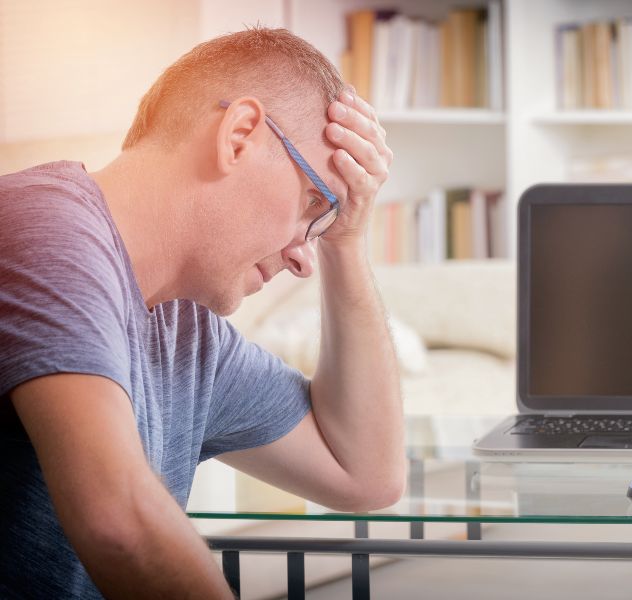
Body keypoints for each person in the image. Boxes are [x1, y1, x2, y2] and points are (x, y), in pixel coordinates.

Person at [0, 27, 404, 599]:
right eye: (314, 204)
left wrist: (348, 241)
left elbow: (365, 475)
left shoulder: (186, 335)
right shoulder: (39, 228)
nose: (302, 259)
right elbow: (121, 524)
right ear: (239, 136)